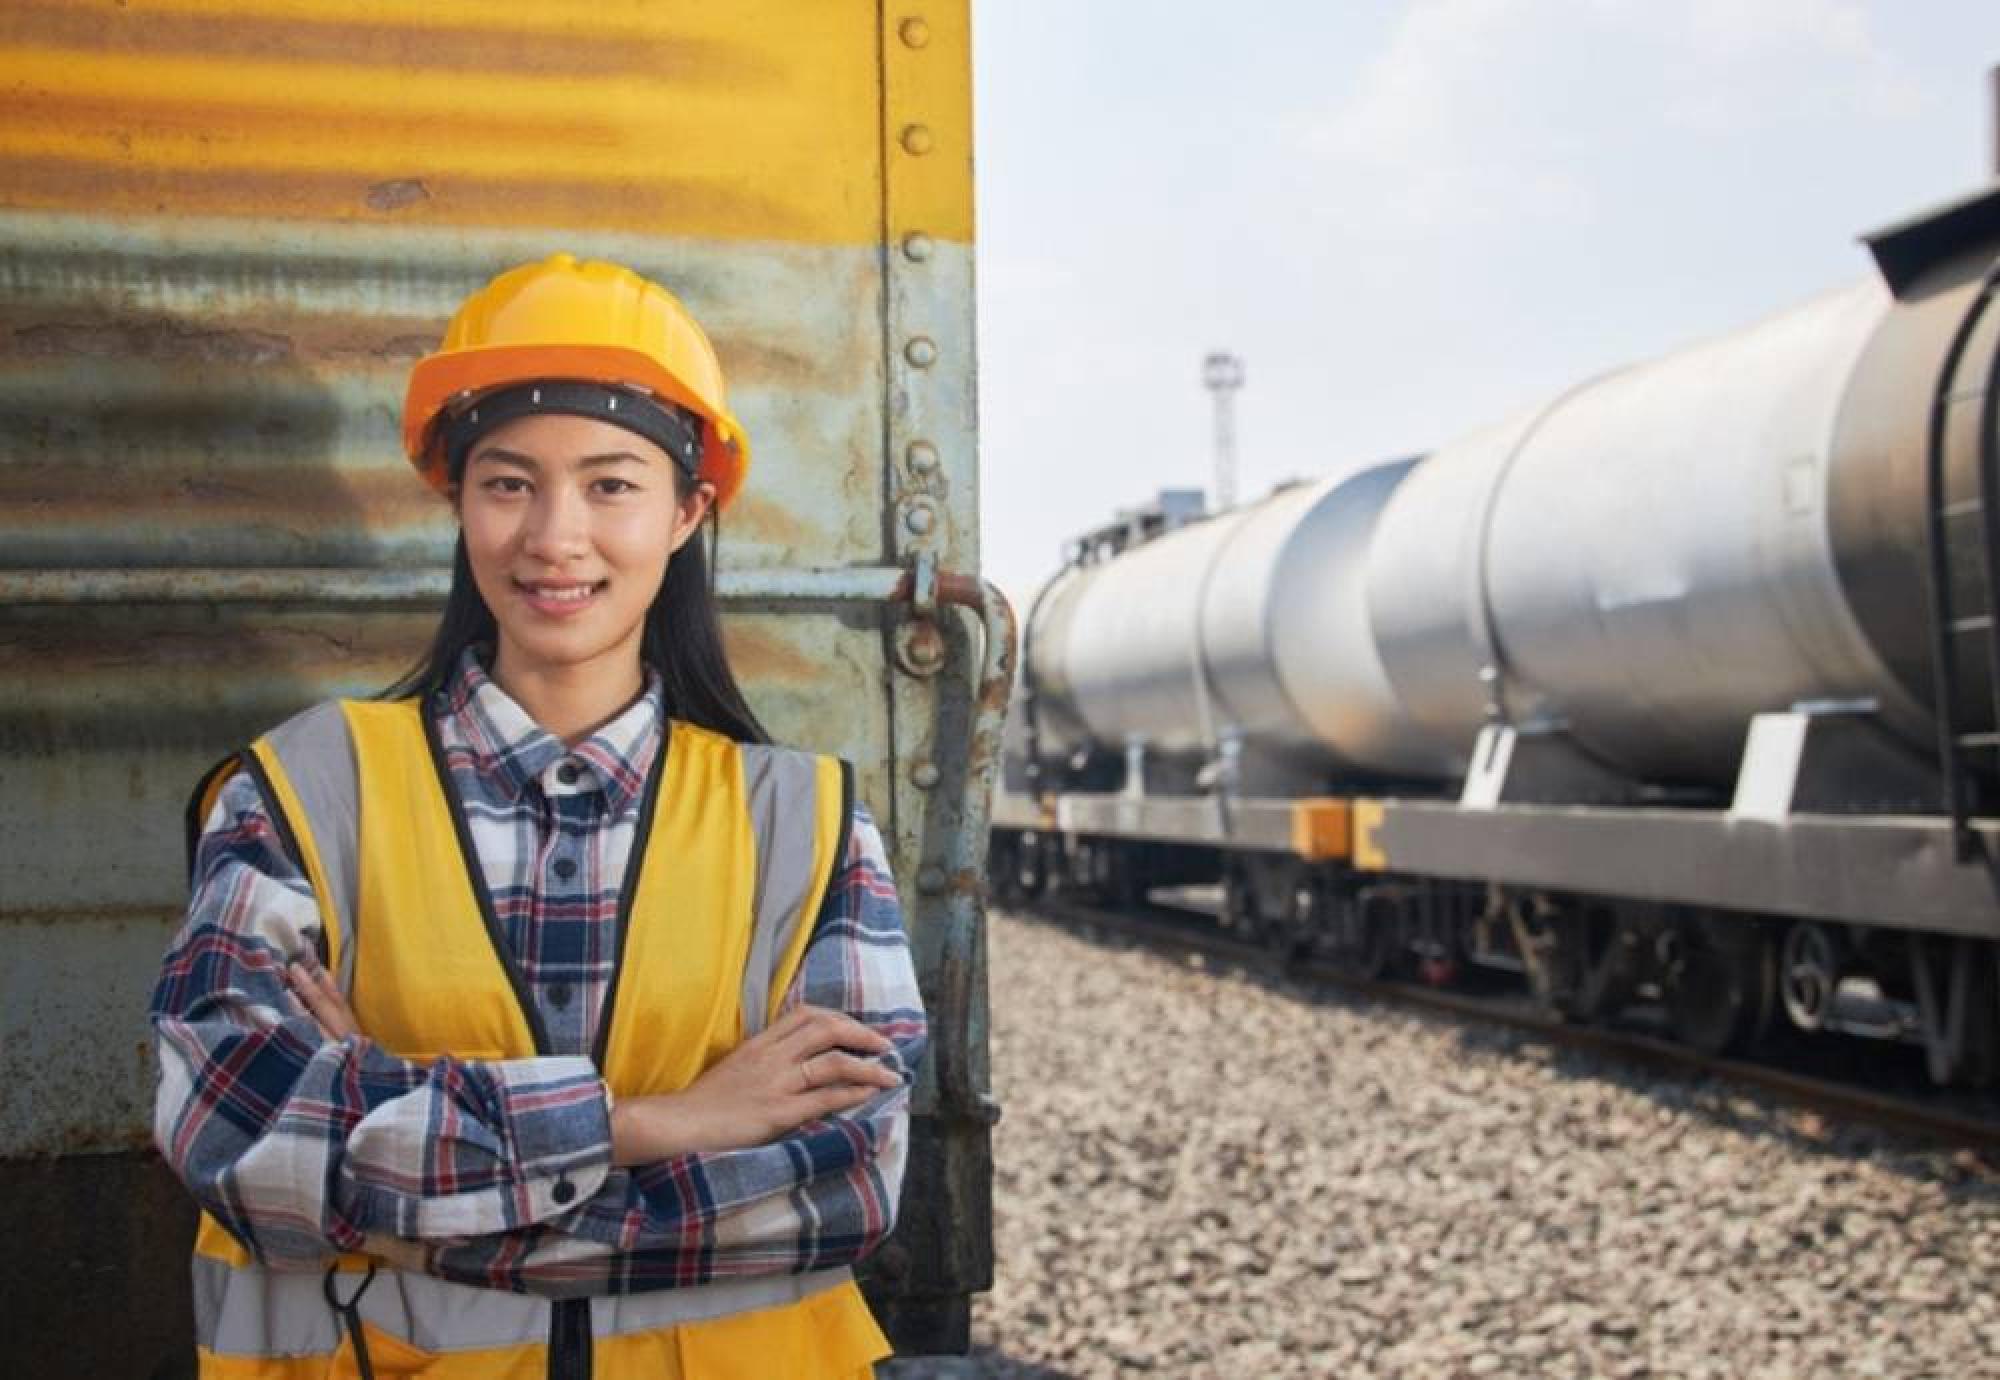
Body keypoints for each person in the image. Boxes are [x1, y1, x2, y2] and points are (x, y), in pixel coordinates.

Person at [148, 254, 926, 1379]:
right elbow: (231, 1133)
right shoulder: (302, 790)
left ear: (686, 512)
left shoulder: (805, 823)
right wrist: (658, 1124)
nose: (554, 537)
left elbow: (846, 1182)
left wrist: (389, 1148)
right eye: (508, 483)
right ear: (457, 502)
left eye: (611, 485)